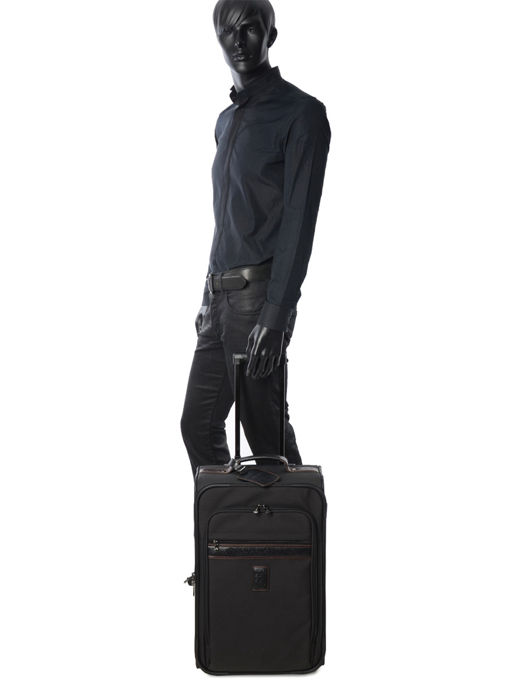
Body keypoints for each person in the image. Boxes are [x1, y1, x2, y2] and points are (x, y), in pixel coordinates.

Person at [180, 0, 331, 476]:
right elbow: (227, 218)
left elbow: (299, 225)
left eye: (250, 28)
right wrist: (207, 295)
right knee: (197, 425)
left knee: (267, 441)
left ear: (272, 35)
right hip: (218, 300)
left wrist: (276, 313)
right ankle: (237, 522)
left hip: (258, 299)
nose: (239, 40)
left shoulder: (301, 114)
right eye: (228, 31)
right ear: (217, 39)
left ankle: (291, 523)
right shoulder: (226, 121)